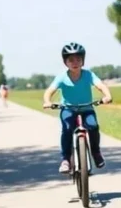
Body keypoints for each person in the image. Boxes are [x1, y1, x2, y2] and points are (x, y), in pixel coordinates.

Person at [42, 42, 114, 174]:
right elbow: (49, 91)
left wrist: (107, 95)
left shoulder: (88, 75)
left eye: (78, 59)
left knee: (93, 126)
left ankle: (96, 153)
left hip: (87, 108)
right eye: (71, 60)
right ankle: (65, 160)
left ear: (83, 61)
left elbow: (101, 85)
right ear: (65, 62)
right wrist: (47, 101)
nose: (75, 62)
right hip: (68, 109)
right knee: (67, 129)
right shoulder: (62, 76)